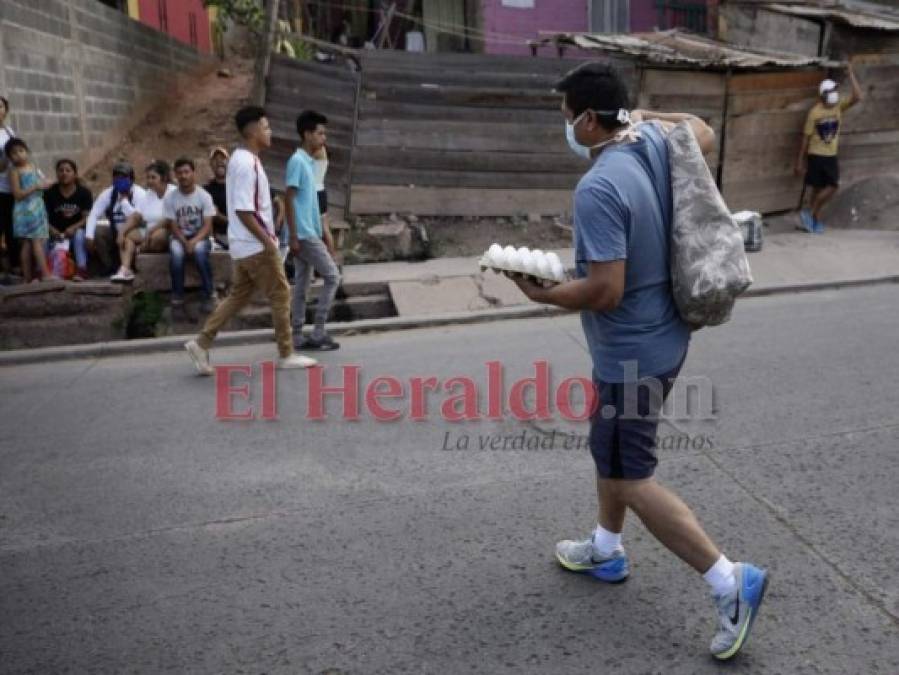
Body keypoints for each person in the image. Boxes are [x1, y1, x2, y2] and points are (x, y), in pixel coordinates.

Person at [507, 63, 768, 661]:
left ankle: (730, 581)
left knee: (632, 476)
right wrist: (648, 117)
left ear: (589, 120)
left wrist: (542, 294)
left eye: (568, 114)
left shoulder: (598, 188)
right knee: (610, 449)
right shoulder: (651, 139)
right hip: (664, 337)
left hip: (634, 354)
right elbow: (702, 128)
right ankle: (606, 547)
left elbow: (604, 290)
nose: (566, 125)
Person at [184, 106, 317, 373]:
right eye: (266, 127)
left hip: (242, 244)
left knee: (238, 297)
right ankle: (287, 353)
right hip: (255, 245)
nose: (270, 132)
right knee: (280, 293)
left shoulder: (241, 159)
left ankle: (201, 343)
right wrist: (268, 241)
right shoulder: (246, 164)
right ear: (254, 131)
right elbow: (245, 210)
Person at [286, 110, 341, 351]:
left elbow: (310, 203)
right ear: (307, 134)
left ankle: (297, 334)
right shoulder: (297, 161)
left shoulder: (309, 163)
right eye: (320, 133)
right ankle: (318, 331)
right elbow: (288, 200)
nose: (323, 138)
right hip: (304, 235)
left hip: (309, 232)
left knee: (303, 283)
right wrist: (295, 236)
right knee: (332, 276)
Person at [794, 64, 863, 233]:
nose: (835, 94)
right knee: (819, 188)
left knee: (832, 185)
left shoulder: (839, 106)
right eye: (831, 91)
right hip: (816, 155)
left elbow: (858, 96)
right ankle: (812, 220)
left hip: (830, 155)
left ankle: (810, 215)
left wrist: (851, 74)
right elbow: (805, 137)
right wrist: (799, 162)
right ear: (823, 95)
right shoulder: (814, 113)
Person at [163, 157, 217, 314]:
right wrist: (184, 241)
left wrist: (194, 241)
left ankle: (208, 294)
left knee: (200, 252)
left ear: (193, 173)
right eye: (179, 173)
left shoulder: (204, 196)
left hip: (200, 235)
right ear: (175, 175)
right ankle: (178, 298)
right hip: (179, 236)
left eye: (186, 172)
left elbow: (207, 225)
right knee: (176, 254)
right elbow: (172, 225)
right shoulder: (171, 197)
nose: (183, 176)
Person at [111, 160, 176, 283]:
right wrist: (122, 232)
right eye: (148, 178)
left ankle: (140, 249)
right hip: (147, 232)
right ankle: (125, 269)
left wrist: (151, 230)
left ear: (163, 178)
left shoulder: (173, 192)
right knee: (126, 236)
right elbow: (136, 216)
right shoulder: (149, 194)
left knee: (160, 236)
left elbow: (169, 218)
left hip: (165, 231)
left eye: (153, 177)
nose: (150, 181)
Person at [86, 162, 147, 275]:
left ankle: (130, 266)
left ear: (132, 179)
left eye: (124, 177)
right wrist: (89, 236)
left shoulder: (140, 194)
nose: (120, 180)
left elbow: (138, 218)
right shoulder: (108, 193)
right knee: (97, 232)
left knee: (129, 237)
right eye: (116, 177)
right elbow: (94, 214)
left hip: (135, 232)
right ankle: (109, 266)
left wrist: (124, 202)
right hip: (115, 231)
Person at [5, 137, 52, 282]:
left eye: (21, 150)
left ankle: (28, 278)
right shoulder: (13, 171)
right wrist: (36, 187)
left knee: (29, 243)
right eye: (14, 153)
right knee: (32, 241)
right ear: (9, 157)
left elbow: (42, 183)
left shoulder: (32, 166)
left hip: (37, 207)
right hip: (25, 210)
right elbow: (17, 194)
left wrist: (46, 184)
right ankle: (45, 275)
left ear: (27, 151)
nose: (19, 155)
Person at [43, 158, 93, 281]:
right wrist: (51, 229)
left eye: (68, 170)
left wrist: (73, 228)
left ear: (75, 174)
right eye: (61, 170)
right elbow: (42, 216)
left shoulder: (84, 193)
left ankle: (82, 270)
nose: (64, 173)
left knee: (80, 234)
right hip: (54, 232)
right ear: (57, 174)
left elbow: (87, 217)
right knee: (41, 236)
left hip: (74, 231)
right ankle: (42, 270)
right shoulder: (49, 193)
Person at [0, 96, 18, 276]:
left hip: (12, 188)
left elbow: (21, 157)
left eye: (1, 106)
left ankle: (14, 264)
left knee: (12, 227)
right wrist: (4, 161)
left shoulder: (10, 131)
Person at [204, 146, 230, 250]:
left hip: (241, 234)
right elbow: (211, 214)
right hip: (219, 237)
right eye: (215, 160)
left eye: (223, 159)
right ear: (211, 164)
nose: (219, 162)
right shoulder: (206, 190)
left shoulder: (239, 186)